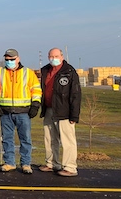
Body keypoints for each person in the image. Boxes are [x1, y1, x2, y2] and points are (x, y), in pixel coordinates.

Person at [0, 48, 42, 174]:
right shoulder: (0, 73)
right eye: (7, 59)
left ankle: (26, 163)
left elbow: (36, 90)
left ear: (18, 59)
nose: (9, 61)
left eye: (12, 59)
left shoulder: (28, 73)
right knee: (7, 139)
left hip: (24, 112)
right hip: (5, 112)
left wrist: (35, 105)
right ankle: (9, 162)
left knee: (25, 139)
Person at [39, 48, 81, 177]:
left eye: (56, 56)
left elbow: (76, 94)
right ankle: (52, 163)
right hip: (49, 109)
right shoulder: (45, 70)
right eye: (51, 56)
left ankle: (70, 167)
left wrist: (74, 115)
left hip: (64, 111)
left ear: (62, 56)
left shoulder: (69, 72)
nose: (53, 59)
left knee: (68, 140)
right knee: (50, 138)